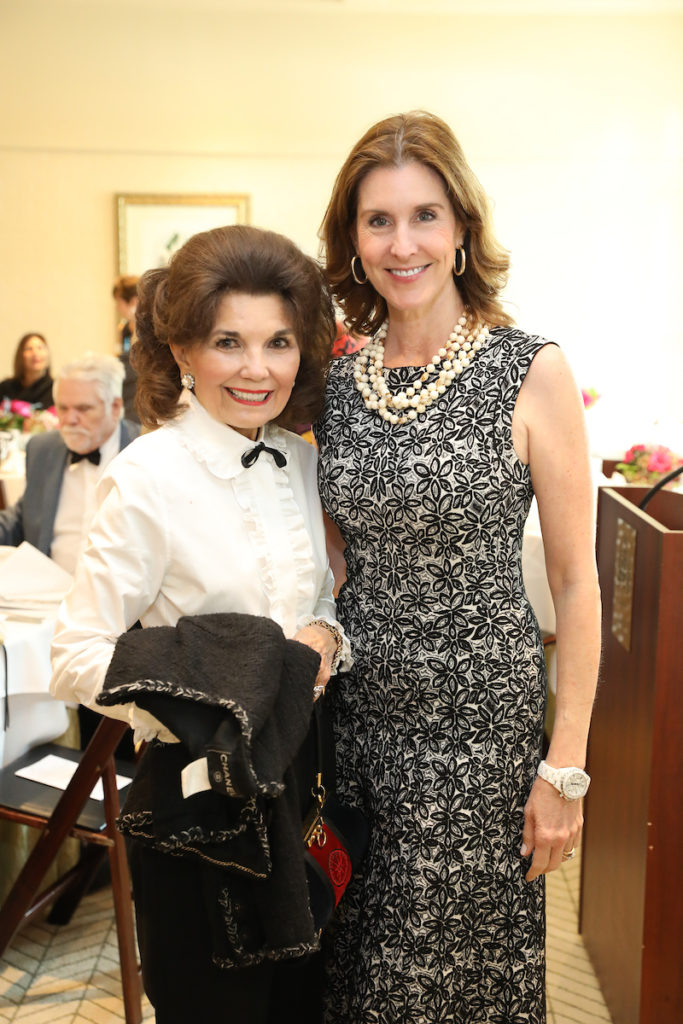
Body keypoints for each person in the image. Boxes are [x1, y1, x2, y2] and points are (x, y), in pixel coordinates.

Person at [314, 110, 601, 1024]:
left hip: (479, 740)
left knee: (459, 983)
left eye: (424, 216)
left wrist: (564, 767)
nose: (402, 244)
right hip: (358, 734)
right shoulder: (335, 386)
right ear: (352, 240)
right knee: (360, 978)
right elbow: (327, 560)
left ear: (462, 228)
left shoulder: (530, 370)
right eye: (378, 220)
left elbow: (576, 584)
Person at [50, 224, 350, 1023]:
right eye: (228, 342)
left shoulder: (301, 460)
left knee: (299, 1004)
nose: (257, 369)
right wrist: (215, 696)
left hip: (302, 782)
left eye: (278, 342)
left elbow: (315, 602)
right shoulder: (147, 476)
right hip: (196, 798)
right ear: (182, 349)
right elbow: (74, 654)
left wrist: (325, 636)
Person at [0, 352, 139, 573]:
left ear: (114, 407)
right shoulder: (43, 450)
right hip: (49, 587)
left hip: (121, 590)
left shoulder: (142, 451)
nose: (69, 420)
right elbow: (22, 519)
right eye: (63, 408)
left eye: (83, 409)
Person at [112, 274, 140, 422]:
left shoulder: (148, 329)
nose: (117, 307)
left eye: (119, 302)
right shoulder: (125, 330)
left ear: (133, 301)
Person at [1, 332, 54, 407]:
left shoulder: (55, 390)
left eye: (40, 348)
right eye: (29, 349)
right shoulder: (5, 387)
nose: (35, 353)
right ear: (20, 355)